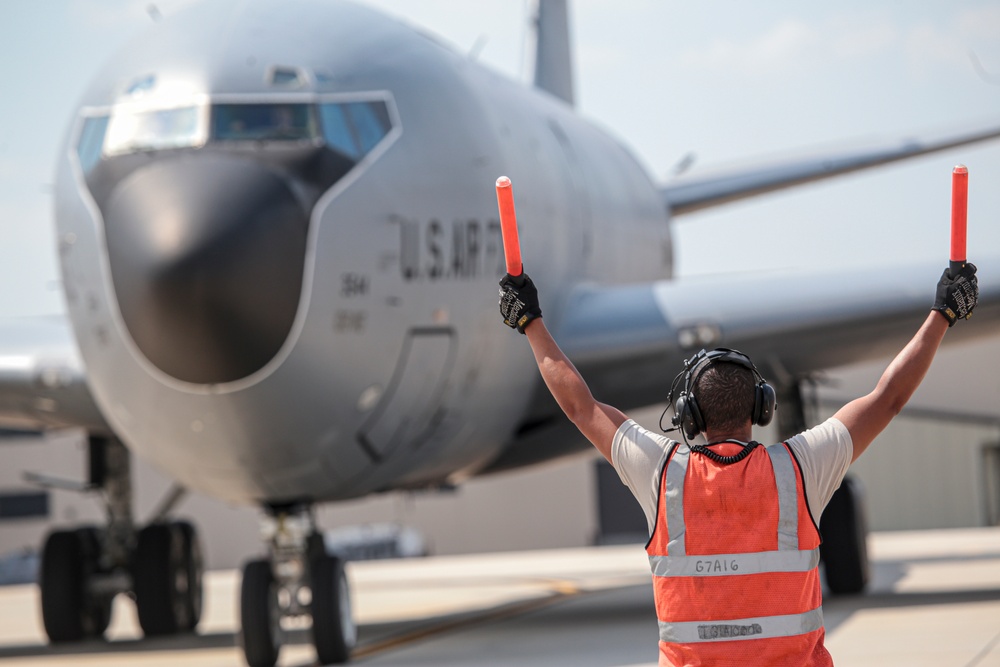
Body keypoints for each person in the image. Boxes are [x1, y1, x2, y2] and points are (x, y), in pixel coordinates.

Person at [498, 264, 979, 666]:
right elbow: (888, 398)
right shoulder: (799, 471)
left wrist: (530, 323)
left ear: (691, 417)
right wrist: (943, 314)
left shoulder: (662, 474)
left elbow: (581, 406)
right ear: (760, 409)